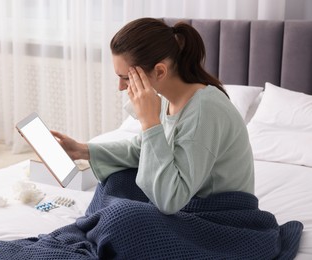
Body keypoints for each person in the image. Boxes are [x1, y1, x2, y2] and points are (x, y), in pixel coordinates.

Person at [52, 17, 254, 215]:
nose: (121, 87)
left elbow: (170, 200)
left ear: (159, 71)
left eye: (125, 78)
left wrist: (150, 121)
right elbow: (144, 149)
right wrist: (82, 150)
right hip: (187, 199)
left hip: (220, 215)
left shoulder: (204, 111)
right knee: (115, 181)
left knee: (121, 217)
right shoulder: (168, 98)